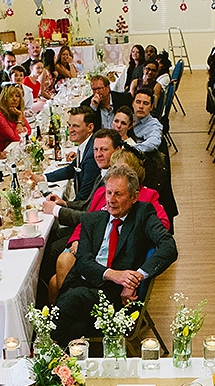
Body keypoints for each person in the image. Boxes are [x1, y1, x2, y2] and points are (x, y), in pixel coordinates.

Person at [52, 165, 178, 343]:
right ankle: (63, 360)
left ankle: (47, 352)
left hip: (114, 295)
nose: (111, 200)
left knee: (71, 301)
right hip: (84, 282)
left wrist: (136, 277)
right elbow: (83, 262)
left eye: (118, 194)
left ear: (134, 197)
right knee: (75, 325)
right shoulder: (93, 220)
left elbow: (169, 247)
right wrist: (114, 274)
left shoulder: (143, 215)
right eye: (108, 193)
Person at [48, 148, 171, 305]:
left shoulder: (145, 202)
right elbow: (88, 218)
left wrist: (136, 275)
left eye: (123, 169)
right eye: (114, 169)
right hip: (93, 261)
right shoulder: (102, 193)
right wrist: (76, 240)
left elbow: (163, 230)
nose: (111, 199)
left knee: (67, 291)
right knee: (56, 279)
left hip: (116, 274)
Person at [40, 106, 100, 193]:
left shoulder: (92, 156)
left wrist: (61, 206)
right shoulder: (85, 145)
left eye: (76, 126)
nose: (70, 130)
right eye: (69, 125)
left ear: (90, 127)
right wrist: (43, 178)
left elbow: (84, 198)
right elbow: (70, 170)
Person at [0, 84, 31, 150]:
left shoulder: (17, 112)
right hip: (7, 152)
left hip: (19, 148)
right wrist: (20, 119)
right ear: (5, 98)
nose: (15, 99)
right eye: (11, 96)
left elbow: (29, 130)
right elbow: (16, 138)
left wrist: (20, 115)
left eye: (17, 96)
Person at [128, 88, 164, 154]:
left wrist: (130, 150)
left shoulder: (154, 124)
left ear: (151, 107)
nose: (141, 106)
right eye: (138, 102)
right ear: (133, 104)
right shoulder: (126, 119)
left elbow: (153, 142)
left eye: (145, 103)